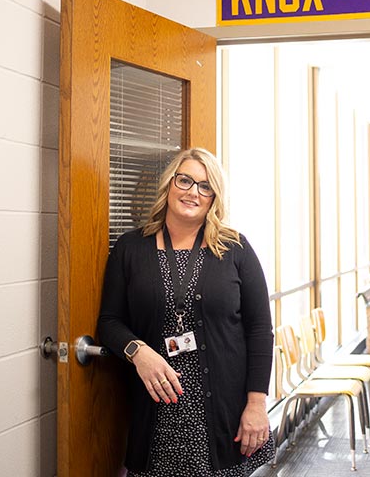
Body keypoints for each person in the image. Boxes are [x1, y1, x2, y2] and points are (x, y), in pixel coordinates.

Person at [98, 148, 274, 476]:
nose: (193, 192)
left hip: (224, 416)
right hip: (158, 417)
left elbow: (260, 330)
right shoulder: (130, 249)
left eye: (205, 186)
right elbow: (109, 322)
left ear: (214, 197)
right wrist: (138, 352)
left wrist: (256, 404)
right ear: (169, 185)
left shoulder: (235, 249)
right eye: (186, 180)